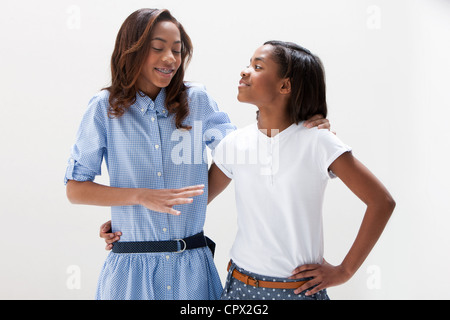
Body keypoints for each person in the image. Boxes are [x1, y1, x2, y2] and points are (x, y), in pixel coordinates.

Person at [65, 8, 331, 300]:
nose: (170, 58)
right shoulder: (104, 108)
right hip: (130, 270)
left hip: (191, 268)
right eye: (158, 48)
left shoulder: (196, 100)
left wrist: (301, 124)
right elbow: (76, 189)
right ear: (132, 51)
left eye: (177, 50)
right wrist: (138, 200)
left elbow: (245, 154)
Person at [209, 41, 395, 300]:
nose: (244, 71)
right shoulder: (234, 143)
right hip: (240, 288)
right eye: (248, 64)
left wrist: (344, 270)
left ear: (285, 86)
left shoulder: (319, 141)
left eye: (257, 66)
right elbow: (196, 200)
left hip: (298, 293)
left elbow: (381, 201)